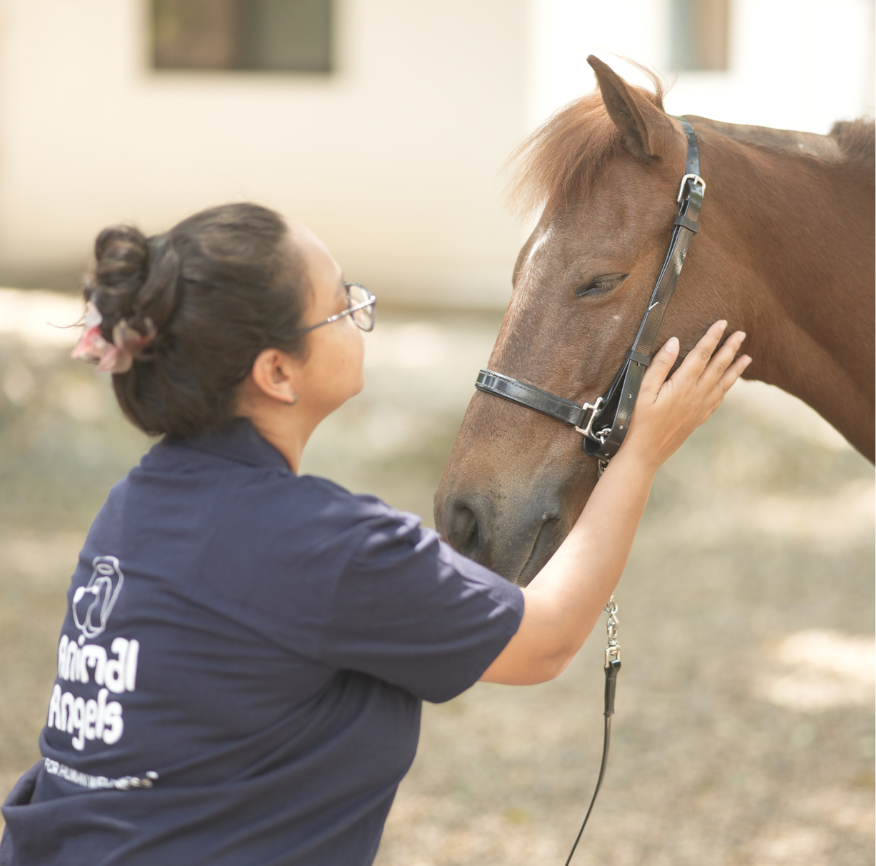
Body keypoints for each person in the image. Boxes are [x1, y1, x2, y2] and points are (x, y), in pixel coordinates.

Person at [0, 203, 749, 866]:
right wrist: (643, 451)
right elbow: (546, 639)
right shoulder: (325, 545)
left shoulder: (131, 505)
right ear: (276, 372)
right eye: (340, 305)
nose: (362, 309)